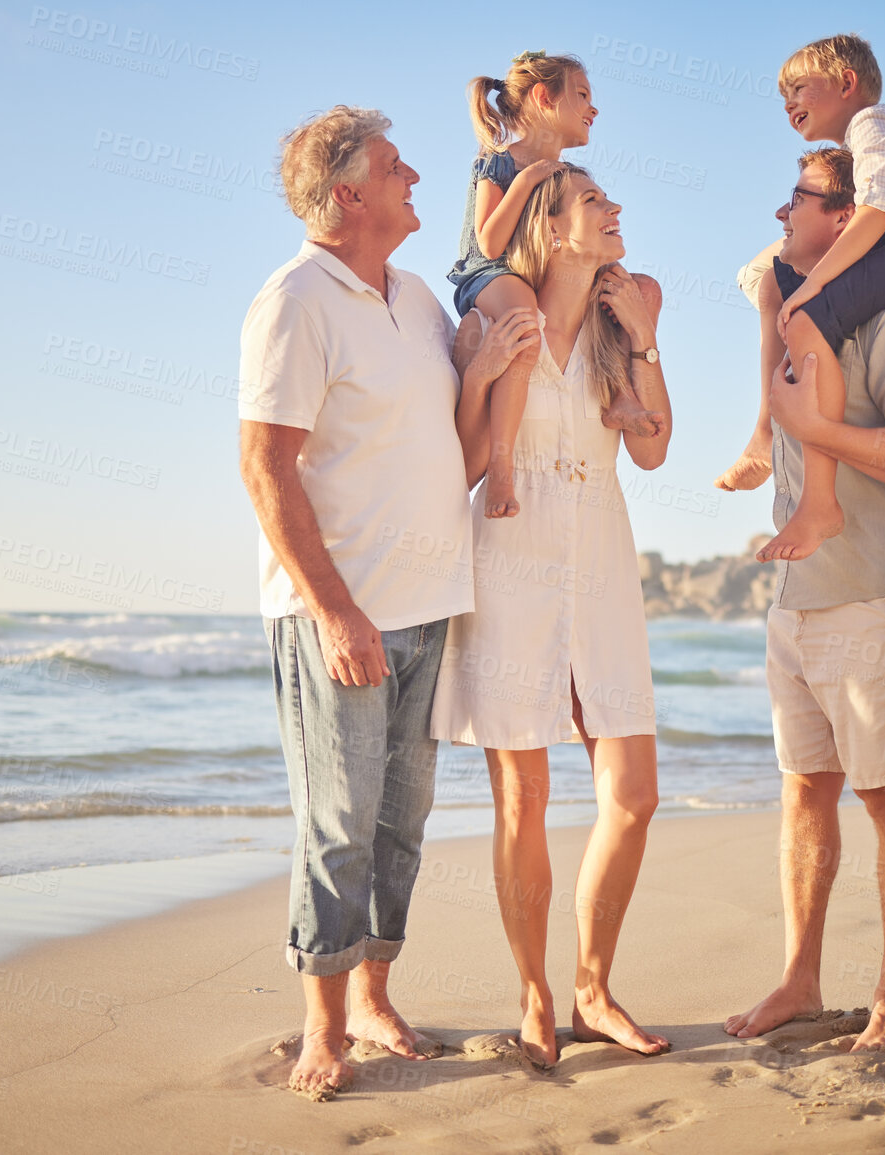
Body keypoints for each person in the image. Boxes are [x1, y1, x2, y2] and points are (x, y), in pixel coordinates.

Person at [238, 105, 535, 1100]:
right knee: (337, 823)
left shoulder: (414, 295)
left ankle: (372, 996)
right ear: (348, 192)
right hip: (341, 616)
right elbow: (264, 468)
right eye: (399, 169)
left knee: (401, 823)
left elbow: (449, 439)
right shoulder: (292, 301)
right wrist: (335, 612)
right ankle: (321, 1025)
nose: (417, 180)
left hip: (428, 605)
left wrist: (486, 370)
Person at [720, 146, 885, 1053]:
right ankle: (799, 977)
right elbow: (761, 276)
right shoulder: (794, 313)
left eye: (798, 200)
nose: (781, 214)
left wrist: (820, 431)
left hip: (879, 597)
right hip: (797, 601)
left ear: (851, 214)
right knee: (802, 792)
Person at [432, 163, 671, 1070]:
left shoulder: (622, 320)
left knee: (634, 794)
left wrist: (644, 344)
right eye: (594, 204)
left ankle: (592, 988)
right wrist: (480, 372)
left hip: (603, 562)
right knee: (521, 796)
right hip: (511, 563)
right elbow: (456, 466)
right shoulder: (496, 319)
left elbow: (652, 451)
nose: (615, 212)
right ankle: (535, 994)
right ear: (549, 224)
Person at [717, 34, 885, 566]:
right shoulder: (871, 142)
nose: (789, 102)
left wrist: (817, 290)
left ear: (846, 83)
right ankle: (767, 434)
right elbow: (764, 275)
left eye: (798, 87)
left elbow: (878, 211)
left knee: (807, 320)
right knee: (788, 297)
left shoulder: (872, 123)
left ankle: (820, 503)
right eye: (782, 95)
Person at [449, 50, 660, 519]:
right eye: (582, 95)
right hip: (488, 274)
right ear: (544, 98)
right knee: (526, 323)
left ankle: (621, 393)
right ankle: (502, 462)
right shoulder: (499, 163)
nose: (594, 107)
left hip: (533, 272)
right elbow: (489, 241)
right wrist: (525, 183)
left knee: (637, 288)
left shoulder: (563, 173)